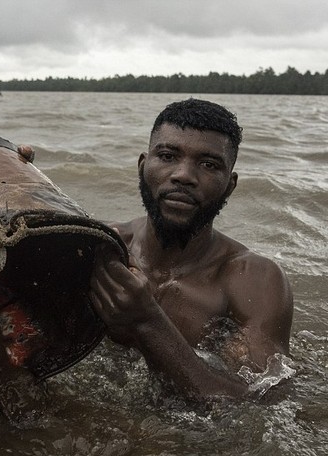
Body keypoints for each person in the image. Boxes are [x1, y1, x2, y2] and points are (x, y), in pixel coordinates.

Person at [88, 98, 294, 400]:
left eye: (209, 165)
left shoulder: (252, 279)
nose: (184, 175)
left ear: (230, 185)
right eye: (168, 156)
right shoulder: (102, 246)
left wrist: (148, 322)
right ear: (143, 166)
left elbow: (261, 402)